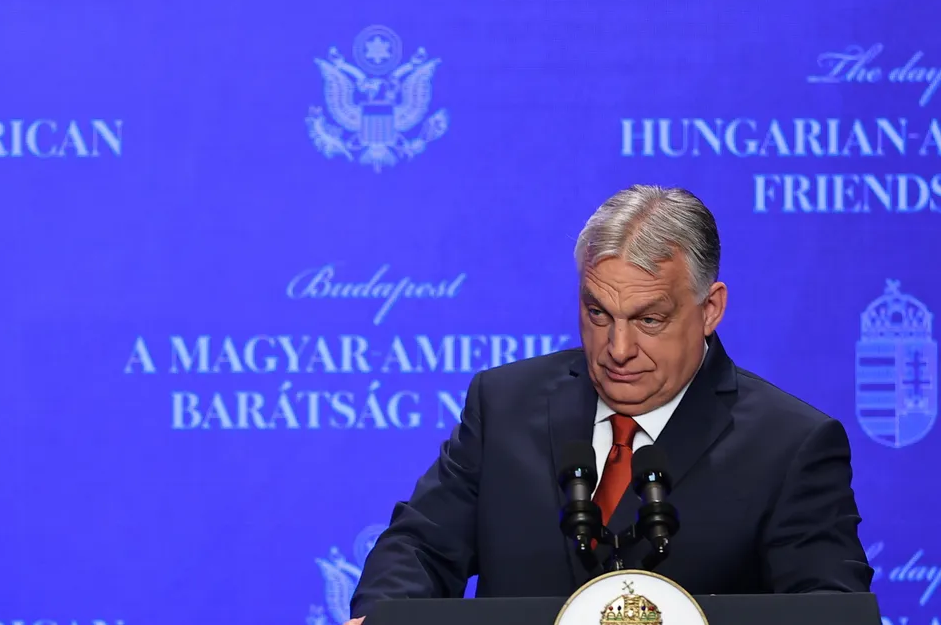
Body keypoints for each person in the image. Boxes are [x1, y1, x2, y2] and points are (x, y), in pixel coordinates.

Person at [344, 185, 872, 624]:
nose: (618, 349)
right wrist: (383, 617)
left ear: (710, 309)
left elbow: (827, 611)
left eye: (649, 320)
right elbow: (420, 547)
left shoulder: (789, 445)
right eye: (598, 314)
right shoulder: (505, 406)